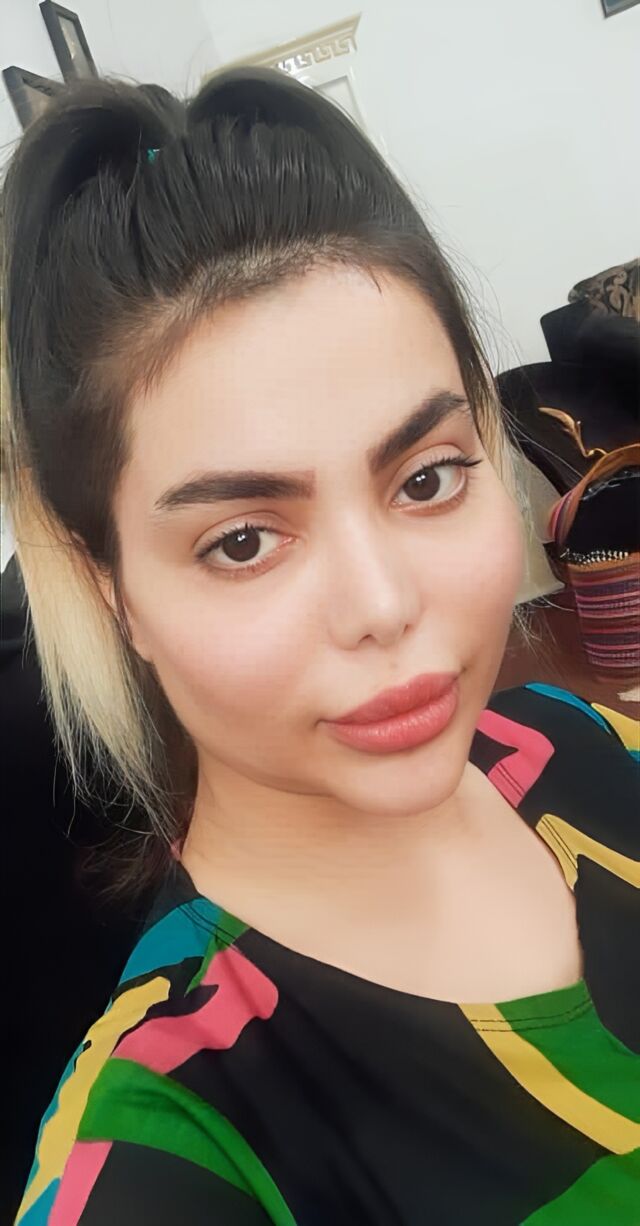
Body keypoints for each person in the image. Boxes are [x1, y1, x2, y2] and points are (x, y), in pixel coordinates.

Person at [3, 68, 638, 1226]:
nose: (382, 604)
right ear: (114, 590)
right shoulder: (164, 1140)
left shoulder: (579, 736)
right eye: (243, 540)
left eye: (426, 478)